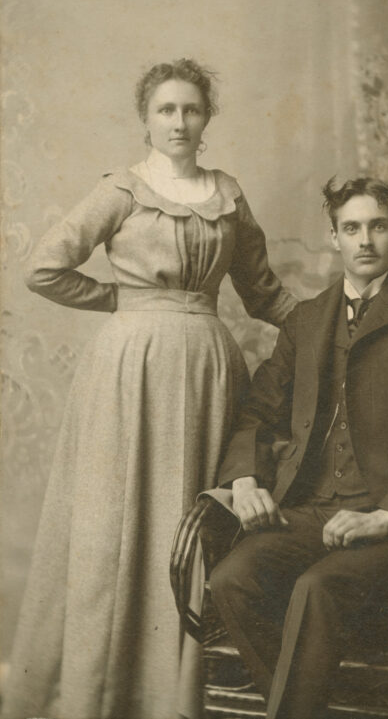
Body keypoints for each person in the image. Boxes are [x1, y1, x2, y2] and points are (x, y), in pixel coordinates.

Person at [2, 59, 297, 719]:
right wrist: (119, 299)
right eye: (165, 109)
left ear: (207, 119)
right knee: (114, 523)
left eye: (190, 109)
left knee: (190, 522)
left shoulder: (227, 193)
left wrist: (331, 326)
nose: (179, 122)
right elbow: (44, 267)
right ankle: (100, 690)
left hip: (210, 375)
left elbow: (263, 291)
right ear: (146, 118)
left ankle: (178, 692)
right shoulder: (122, 189)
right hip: (127, 371)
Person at [207, 176, 388, 719]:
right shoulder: (306, 322)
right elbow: (258, 412)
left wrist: (387, 514)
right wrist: (245, 480)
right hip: (312, 510)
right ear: (334, 238)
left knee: (319, 587)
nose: (365, 240)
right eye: (351, 228)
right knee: (231, 579)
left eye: (379, 226)